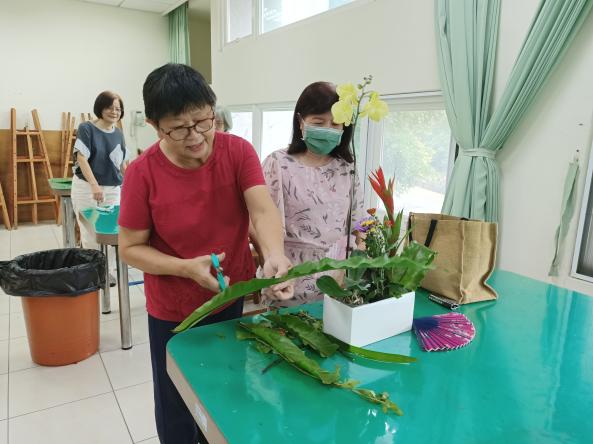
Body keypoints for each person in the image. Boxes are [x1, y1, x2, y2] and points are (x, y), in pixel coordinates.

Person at [118, 63, 293, 444]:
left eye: (203, 121)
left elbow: (261, 209)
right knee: (176, 403)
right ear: (154, 125)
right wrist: (184, 268)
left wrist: (273, 252)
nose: (196, 136)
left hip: (229, 296)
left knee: (227, 391)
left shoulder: (237, 151)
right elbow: (130, 248)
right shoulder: (142, 173)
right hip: (173, 311)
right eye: (179, 128)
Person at [259, 81, 364, 307]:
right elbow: (259, 224)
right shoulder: (277, 163)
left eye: (336, 124)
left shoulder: (347, 169)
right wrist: (273, 267)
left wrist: (356, 268)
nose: (328, 130)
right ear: (300, 122)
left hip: (335, 283)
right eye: (319, 122)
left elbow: (359, 226)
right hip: (287, 278)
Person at [70, 91, 128, 285]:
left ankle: (107, 271)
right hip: (87, 188)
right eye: (110, 107)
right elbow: (81, 158)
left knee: (113, 232)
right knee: (91, 233)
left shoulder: (119, 134)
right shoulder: (87, 128)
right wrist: (95, 186)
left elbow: (121, 164)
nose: (114, 111)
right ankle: (93, 274)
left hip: (112, 190)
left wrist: (128, 184)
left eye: (118, 108)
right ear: (100, 108)